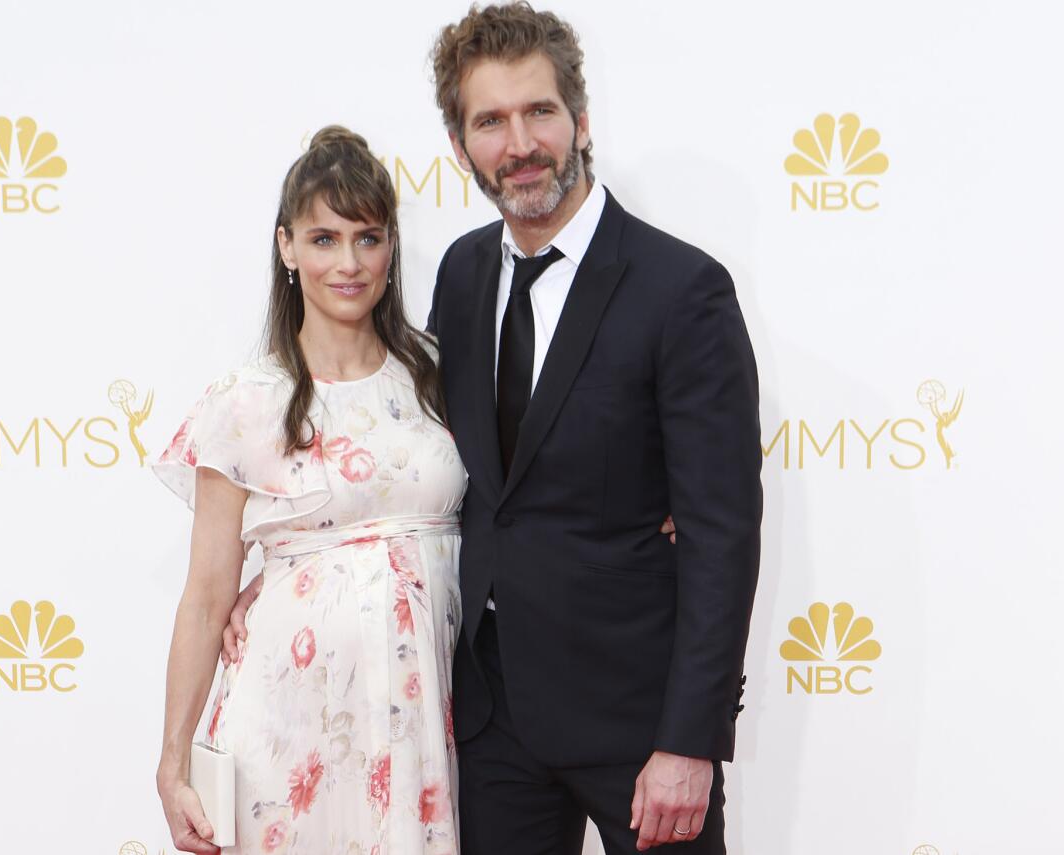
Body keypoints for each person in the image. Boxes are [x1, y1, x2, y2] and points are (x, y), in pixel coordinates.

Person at [226, 4, 761, 853]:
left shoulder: (681, 290)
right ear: (460, 143)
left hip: (638, 723)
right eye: (490, 121)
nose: (519, 143)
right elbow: (422, 461)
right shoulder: (465, 272)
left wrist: (689, 739)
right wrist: (287, 576)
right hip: (485, 721)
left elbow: (722, 534)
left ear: (581, 121)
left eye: (538, 112)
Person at [153, 126, 466, 855]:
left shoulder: (440, 376)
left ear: (392, 245)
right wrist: (172, 765)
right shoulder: (246, 400)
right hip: (285, 723)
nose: (349, 263)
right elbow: (204, 598)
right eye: (324, 239)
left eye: (368, 237)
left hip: (424, 719)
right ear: (287, 247)